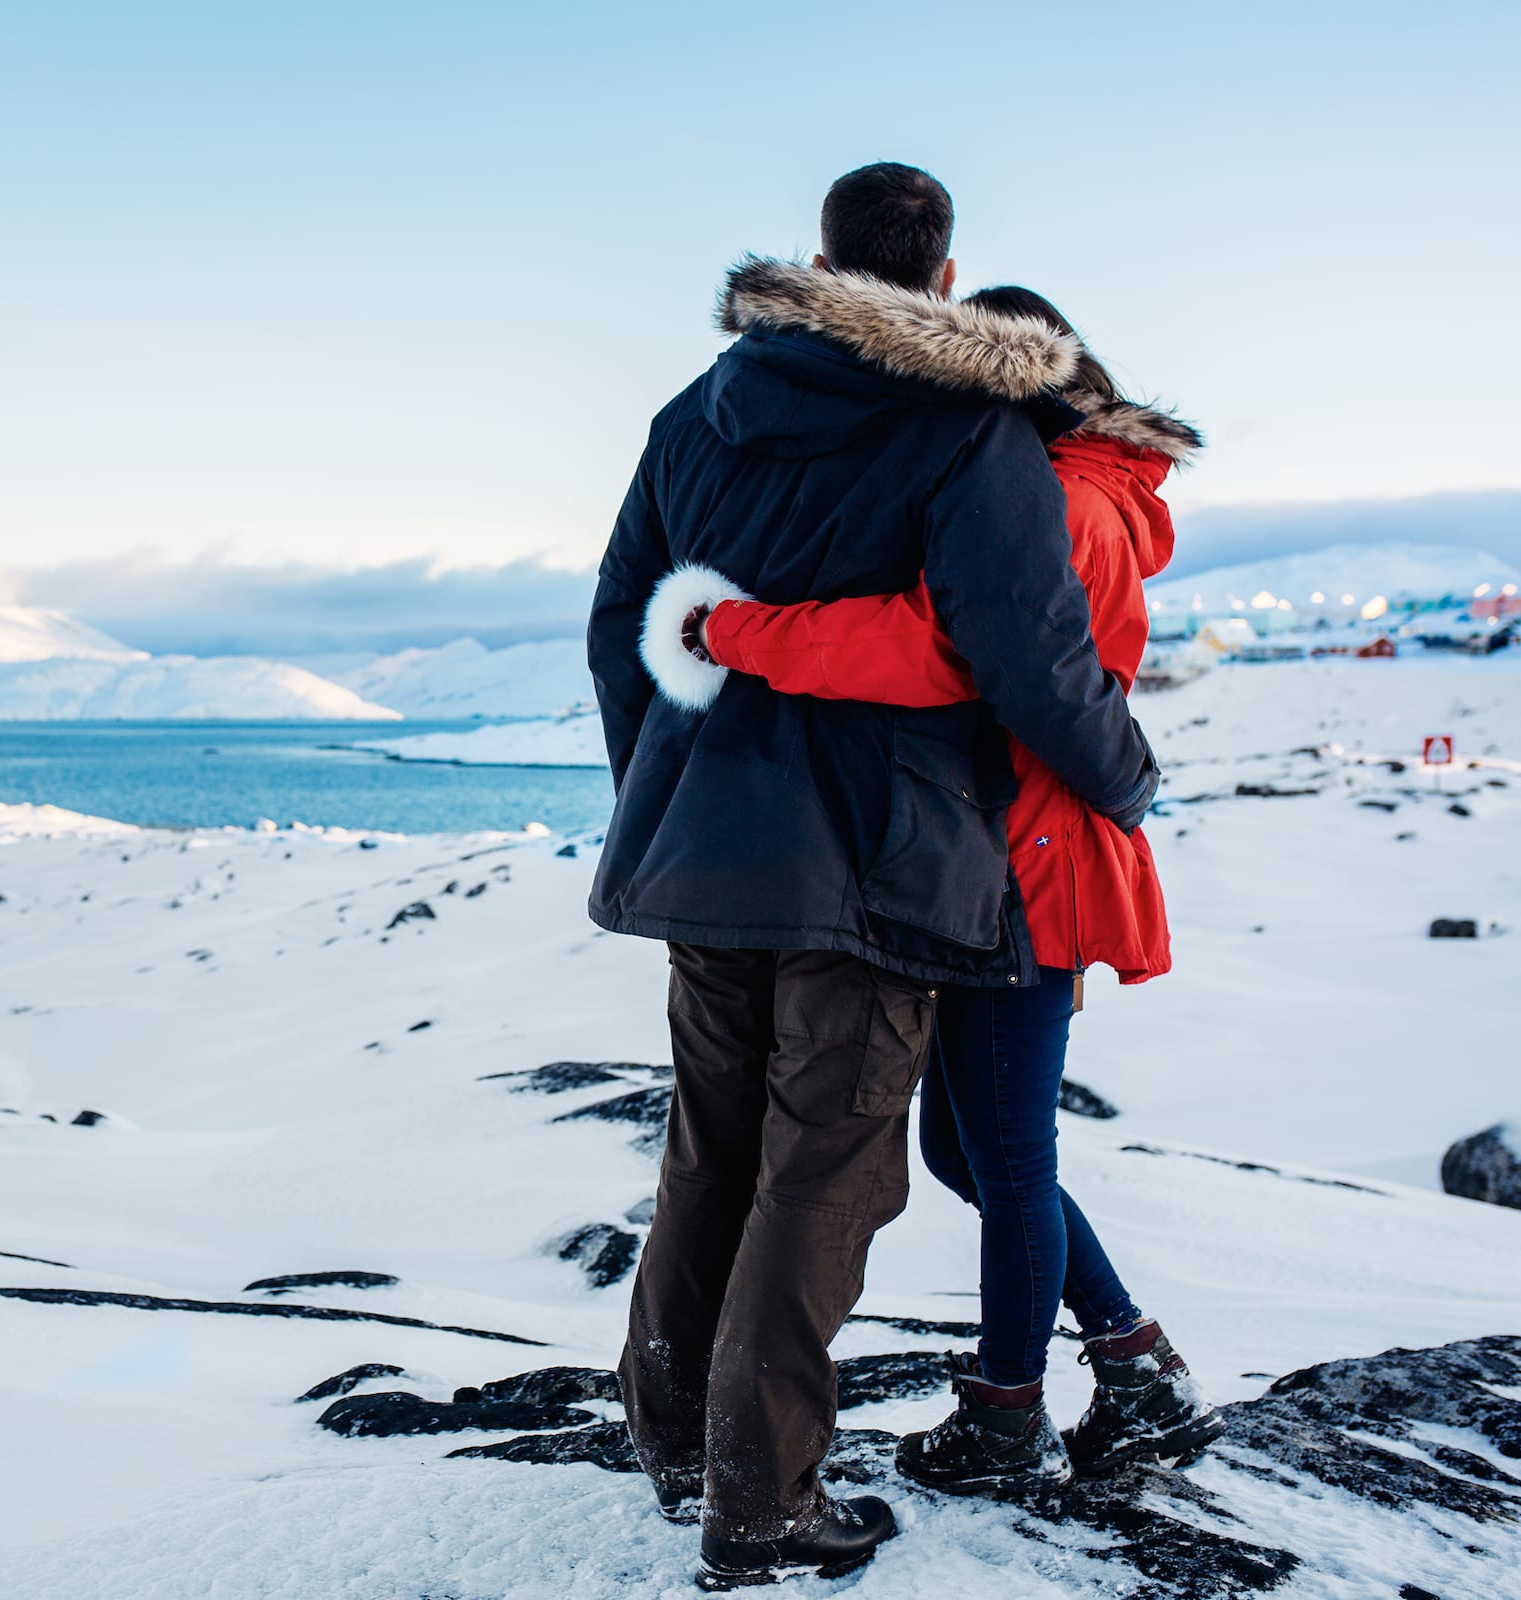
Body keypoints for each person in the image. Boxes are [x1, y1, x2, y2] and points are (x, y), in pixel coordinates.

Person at [587, 163, 1160, 1591]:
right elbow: (1028, 655)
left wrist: (659, 791)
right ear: (945, 282)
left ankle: (671, 1435)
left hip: (704, 843)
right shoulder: (968, 432)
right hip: (879, 864)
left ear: (821, 262)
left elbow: (621, 627)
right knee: (825, 1177)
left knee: (709, 1148)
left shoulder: (693, 414)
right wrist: (1126, 778)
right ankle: (762, 1500)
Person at [675, 286, 1224, 1500]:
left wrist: (745, 631)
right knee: (976, 1153)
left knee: (1005, 1159)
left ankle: (1013, 1412)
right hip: (1024, 851)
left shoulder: (1063, 500)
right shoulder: (1075, 483)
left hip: (1030, 864)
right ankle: (1132, 1365)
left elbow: (943, 645)